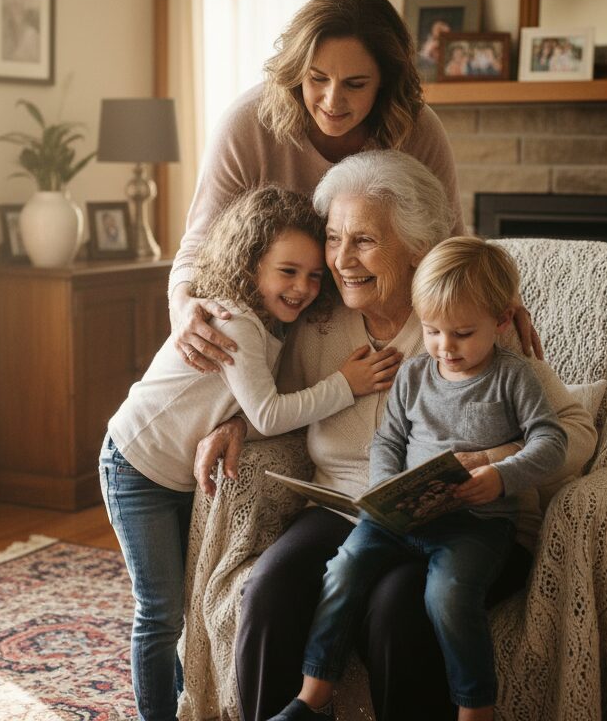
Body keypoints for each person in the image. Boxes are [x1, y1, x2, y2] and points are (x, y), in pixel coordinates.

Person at [188, 150, 597, 721]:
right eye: (334, 239)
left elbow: (574, 430)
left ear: (417, 250)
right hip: (348, 507)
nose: (341, 260)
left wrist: (492, 460)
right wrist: (233, 424)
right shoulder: (320, 318)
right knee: (270, 588)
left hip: (459, 520)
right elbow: (274, 398)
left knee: (395, 609)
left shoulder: (470, 326)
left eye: (364, 241)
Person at [101, 186, 400, 721]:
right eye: (287, 272)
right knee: (160, 612)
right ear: (250, 263)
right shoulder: (237, 320)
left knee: (182, 609)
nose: (303, 288)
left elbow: (257, 413)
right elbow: (269, 413)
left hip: (177, 475)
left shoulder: (278, 328)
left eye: (313, 275)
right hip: (136, 466)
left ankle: (182, 704)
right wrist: (346, 383)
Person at [167, 0, 544, 381]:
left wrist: (496, 293)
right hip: (260, 324)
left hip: (361, 319)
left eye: (356, 84)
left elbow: (446, 240)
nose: (332, 100)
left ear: (385, 82)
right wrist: (182, 306)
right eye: (317, 79)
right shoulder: (246, 125)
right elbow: (199, 244)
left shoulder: (418, 129)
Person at [267, 236, 569, 721]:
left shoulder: (514, 377)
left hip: (476, 523)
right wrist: (386, 488)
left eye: (462, 334)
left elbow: (552, 443)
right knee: (343, 569)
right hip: (403, 515)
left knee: (446, 595)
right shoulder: (414, 375)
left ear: (501, 321)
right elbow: (388, 440)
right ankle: (313, 695)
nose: (445, 348)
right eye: (432, 331)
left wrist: (501, 475)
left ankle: (476, 708)